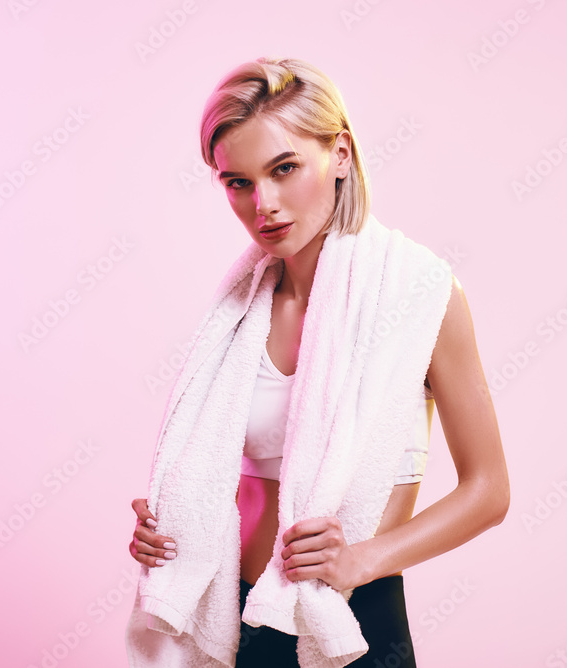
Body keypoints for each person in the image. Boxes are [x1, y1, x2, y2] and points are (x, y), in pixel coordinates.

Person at [130, 56, 509, 666]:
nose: (265, 204)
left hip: (353, 621)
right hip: (239, 624)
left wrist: (364, 559)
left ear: (339, 155)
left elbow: (490, 491)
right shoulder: (237, 313)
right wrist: (172, 528)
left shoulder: (419, 294)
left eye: (285, 169)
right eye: (239, 183)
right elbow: (220, 483)